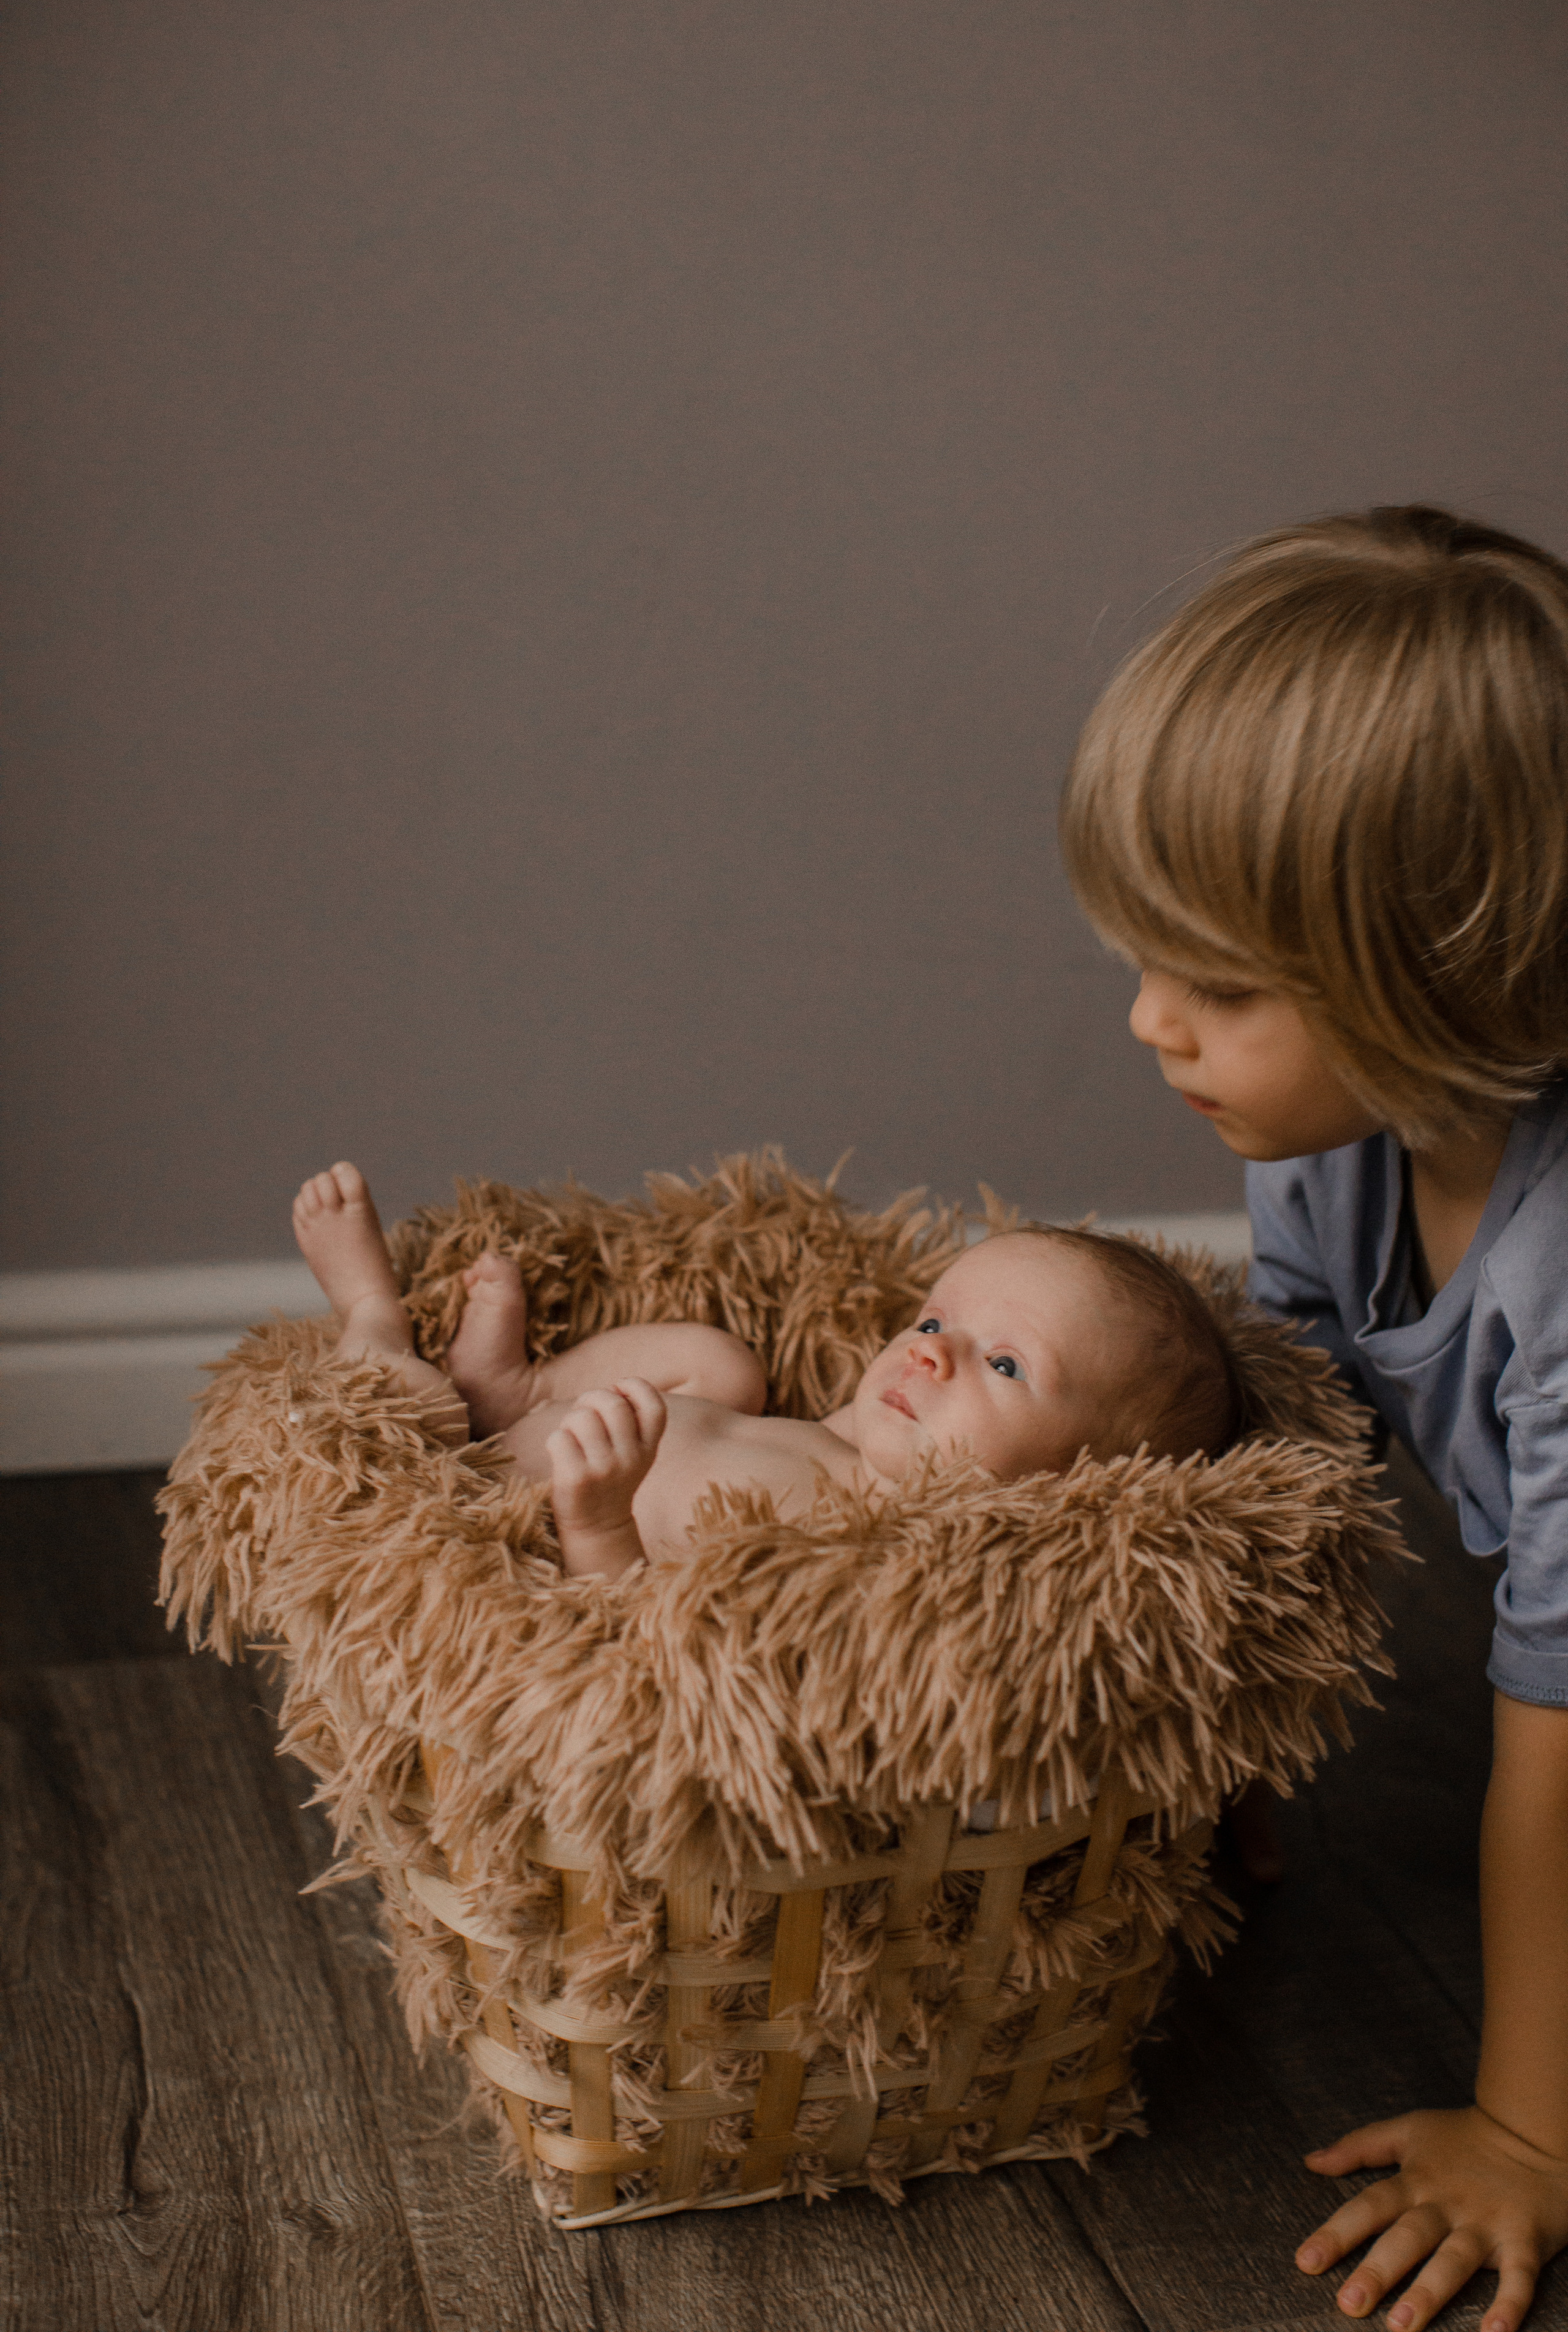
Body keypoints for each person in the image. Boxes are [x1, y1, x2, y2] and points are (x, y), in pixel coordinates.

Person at [1060, 504, 1568, 2332]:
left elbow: (1555, 1734)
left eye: (1217, 986)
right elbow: (1288, 1476)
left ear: (1459, 969)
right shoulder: (1333, 1156)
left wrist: (1527, 2127)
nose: (1147, 1025)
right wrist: (1225, 1760)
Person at [291, 1158, 1238, 1575]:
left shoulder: (865, 1561)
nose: (926, 1351)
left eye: (1000, 1361)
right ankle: (524, 1389)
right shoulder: (841, 1439)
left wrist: (599, 1525)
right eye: (936, 1319)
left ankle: (374, 1314)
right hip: (549, 1430)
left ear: (1082, 1488)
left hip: (490, 1501)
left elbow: (654, 1645)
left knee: (413, 1411)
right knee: (726, 1365)